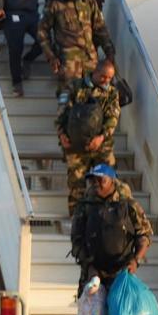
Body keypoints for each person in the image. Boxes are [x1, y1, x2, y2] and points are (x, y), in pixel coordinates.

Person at [70, 164, 151, 315]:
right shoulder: (85, 206)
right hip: (94, 272)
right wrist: (89, 267)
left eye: (101, 180)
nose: (97, 184)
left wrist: (135, 260)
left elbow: (144, 236)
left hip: (121, 273)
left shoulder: (128, 205)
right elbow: (77, 241)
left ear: (112, 181)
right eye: (93, 180)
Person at [55, 59, 121, 214]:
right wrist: (62, 134)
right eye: (103, 76)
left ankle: (108, 215)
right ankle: (77, 218)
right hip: (75, 143)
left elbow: (113, 118)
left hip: (101, 144)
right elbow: (62, 112)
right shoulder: (74, 86)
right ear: (95, 72)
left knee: (107, 179)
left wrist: (101, 137)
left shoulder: (112, 93)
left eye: (110, 78)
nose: (106, 80)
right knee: (76, 183)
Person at [38, 0, 116, 93]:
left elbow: (100, 28)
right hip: (68, 62)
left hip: (90, 60)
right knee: (68, 97)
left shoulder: (89, 1)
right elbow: (42, 31)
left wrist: (109, 52)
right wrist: (51, 56)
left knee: (95, 96)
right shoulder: (55, 4)